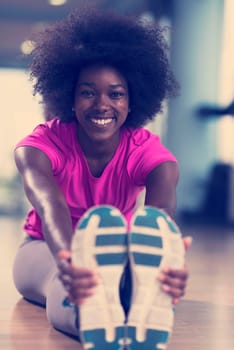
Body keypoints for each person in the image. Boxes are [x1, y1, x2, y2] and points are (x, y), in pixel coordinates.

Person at [13, 8, 192, 350]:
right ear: (70, 96)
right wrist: (71, 259)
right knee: (67, 281)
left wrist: (166, 262)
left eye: (116, 93)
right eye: (88, 92)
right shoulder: (39, 147)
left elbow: (158, 220)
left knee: (129, 275)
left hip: (118, 251)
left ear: (132, 99)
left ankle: (131, 302)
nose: (102, 104)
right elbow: (51, 207)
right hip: (44, 249)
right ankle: (92, 320)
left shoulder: (150, 154)